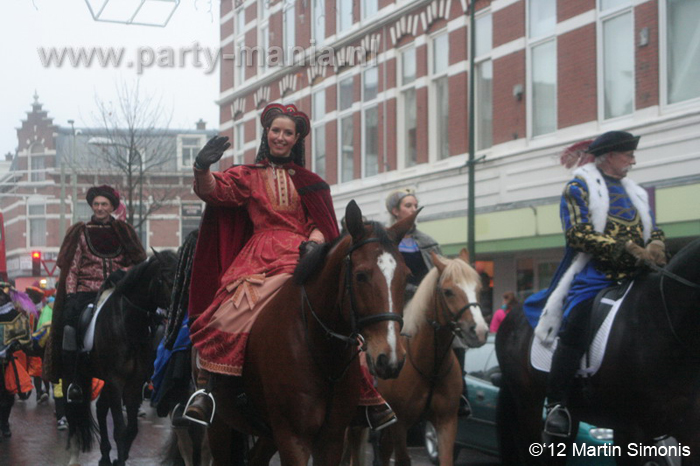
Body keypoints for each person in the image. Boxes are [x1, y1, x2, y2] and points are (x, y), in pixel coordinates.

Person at [184, 103, 396, 430]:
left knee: (345, 319)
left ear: (297, 139)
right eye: (275, 131)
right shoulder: (247, 176)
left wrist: (312, 241)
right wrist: (201, 167)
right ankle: (207, 389)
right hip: (258, 258)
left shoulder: (312, 183)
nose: (281, 137)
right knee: (226, 313)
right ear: (267, 134)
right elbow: (215, 192)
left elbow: (321, 222)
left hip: (303, 255)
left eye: (288, 133)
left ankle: (366, 395)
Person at [529, 131, 667, 437]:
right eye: (627, 154)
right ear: (609, 156)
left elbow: (653, 229)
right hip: (595, 274)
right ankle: (556, 404)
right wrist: (624, 249)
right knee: (577, 320)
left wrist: (655, 246)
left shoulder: (637, 192)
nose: (632, 160)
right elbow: (577, 234)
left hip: (637, 274)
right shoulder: (578, 187)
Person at [45, 185, 146, 403]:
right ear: (92, 206)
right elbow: (72, 267)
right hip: (86, 292)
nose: (100, 208)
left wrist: (123, 275)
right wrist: (71, 296)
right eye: (96, 204)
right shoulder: (80, 232)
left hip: (116, 291)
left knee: (146, 321)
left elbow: (136, 264)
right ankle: (72, 380)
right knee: (70, 326)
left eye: (104, 204)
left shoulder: (123, 231)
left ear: (112, 207)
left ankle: (145, 375)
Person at [385, 188, 471, 417]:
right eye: (408, 205)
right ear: (395, 210)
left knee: (457, 342)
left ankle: (460, 394)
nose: (414, 209)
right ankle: (372, 393)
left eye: (415, 205)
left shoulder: (428, 242)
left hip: (427, 305)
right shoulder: (385, 239)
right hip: (394, 305)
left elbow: (442, 275)